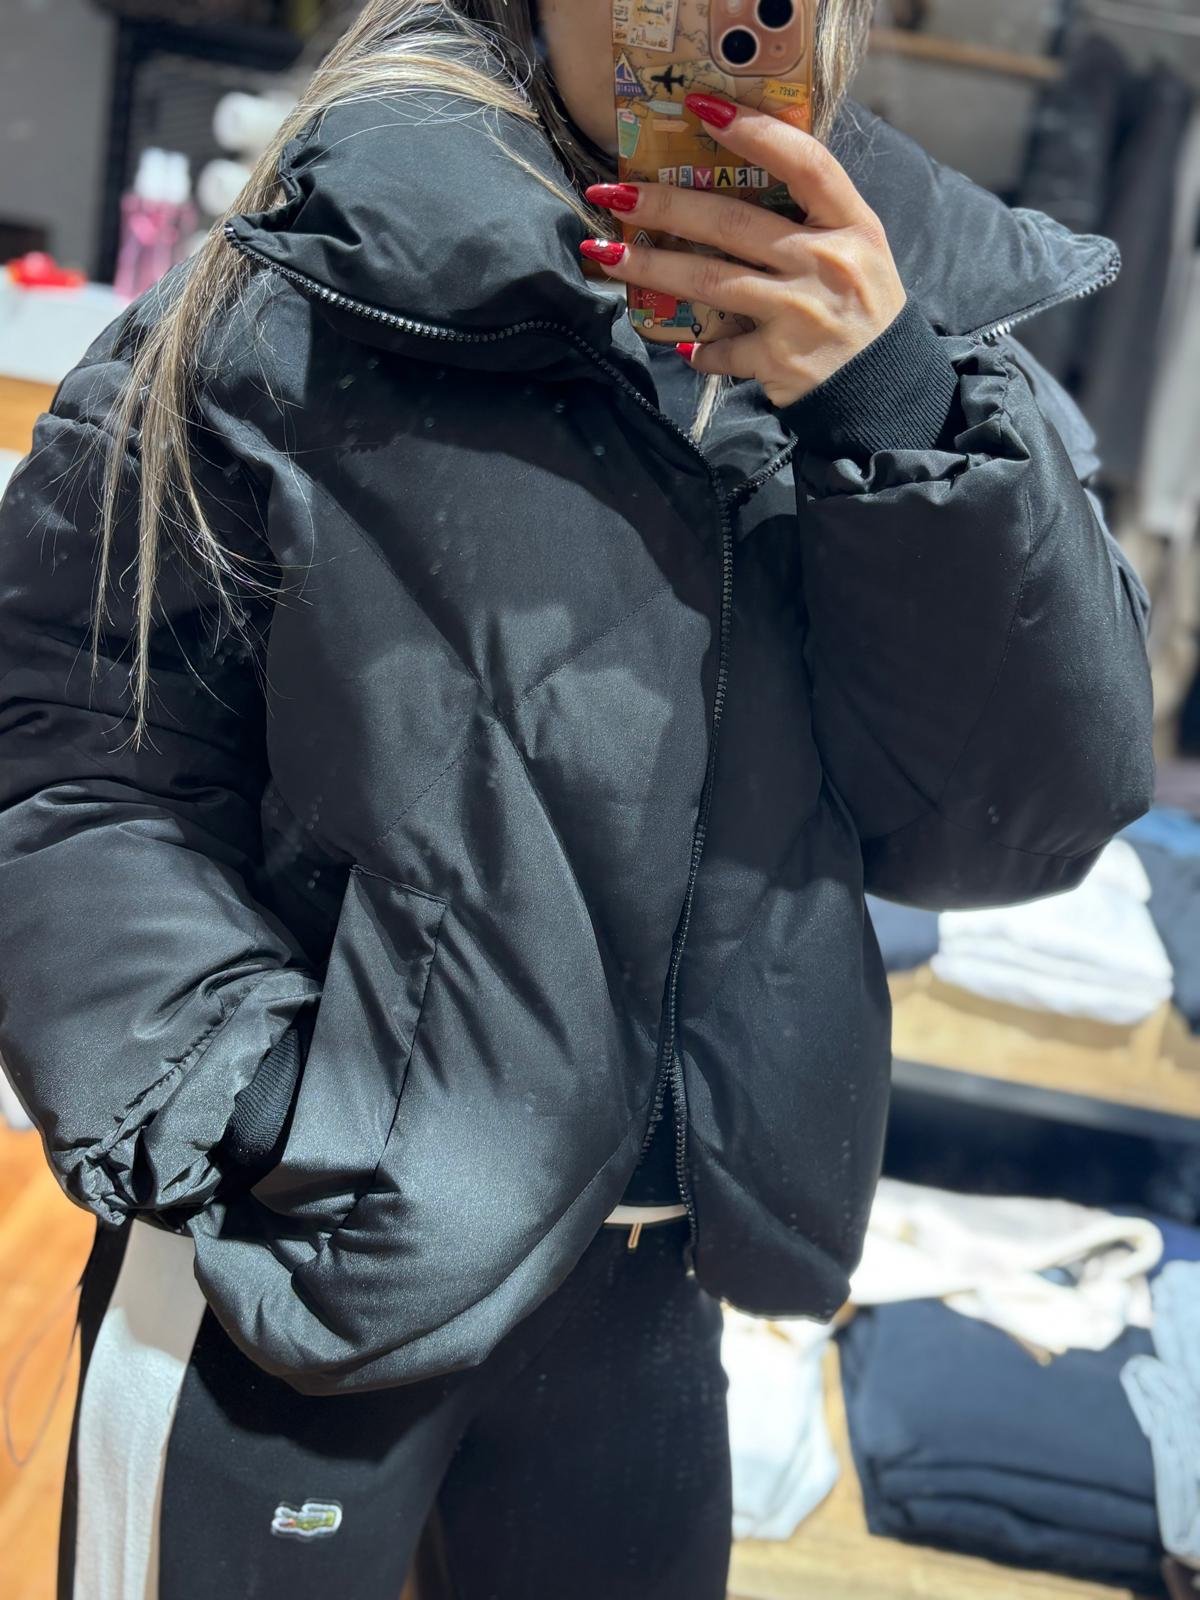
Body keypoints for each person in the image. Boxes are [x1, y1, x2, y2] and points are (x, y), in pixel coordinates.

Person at [0, 2, 1155, 1596]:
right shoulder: (300, 295)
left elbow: (1016, 823)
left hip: (656, 1292)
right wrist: (251, 1109)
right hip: (296, 1269)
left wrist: (890, 416)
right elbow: (71, 740)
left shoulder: (915, 345)